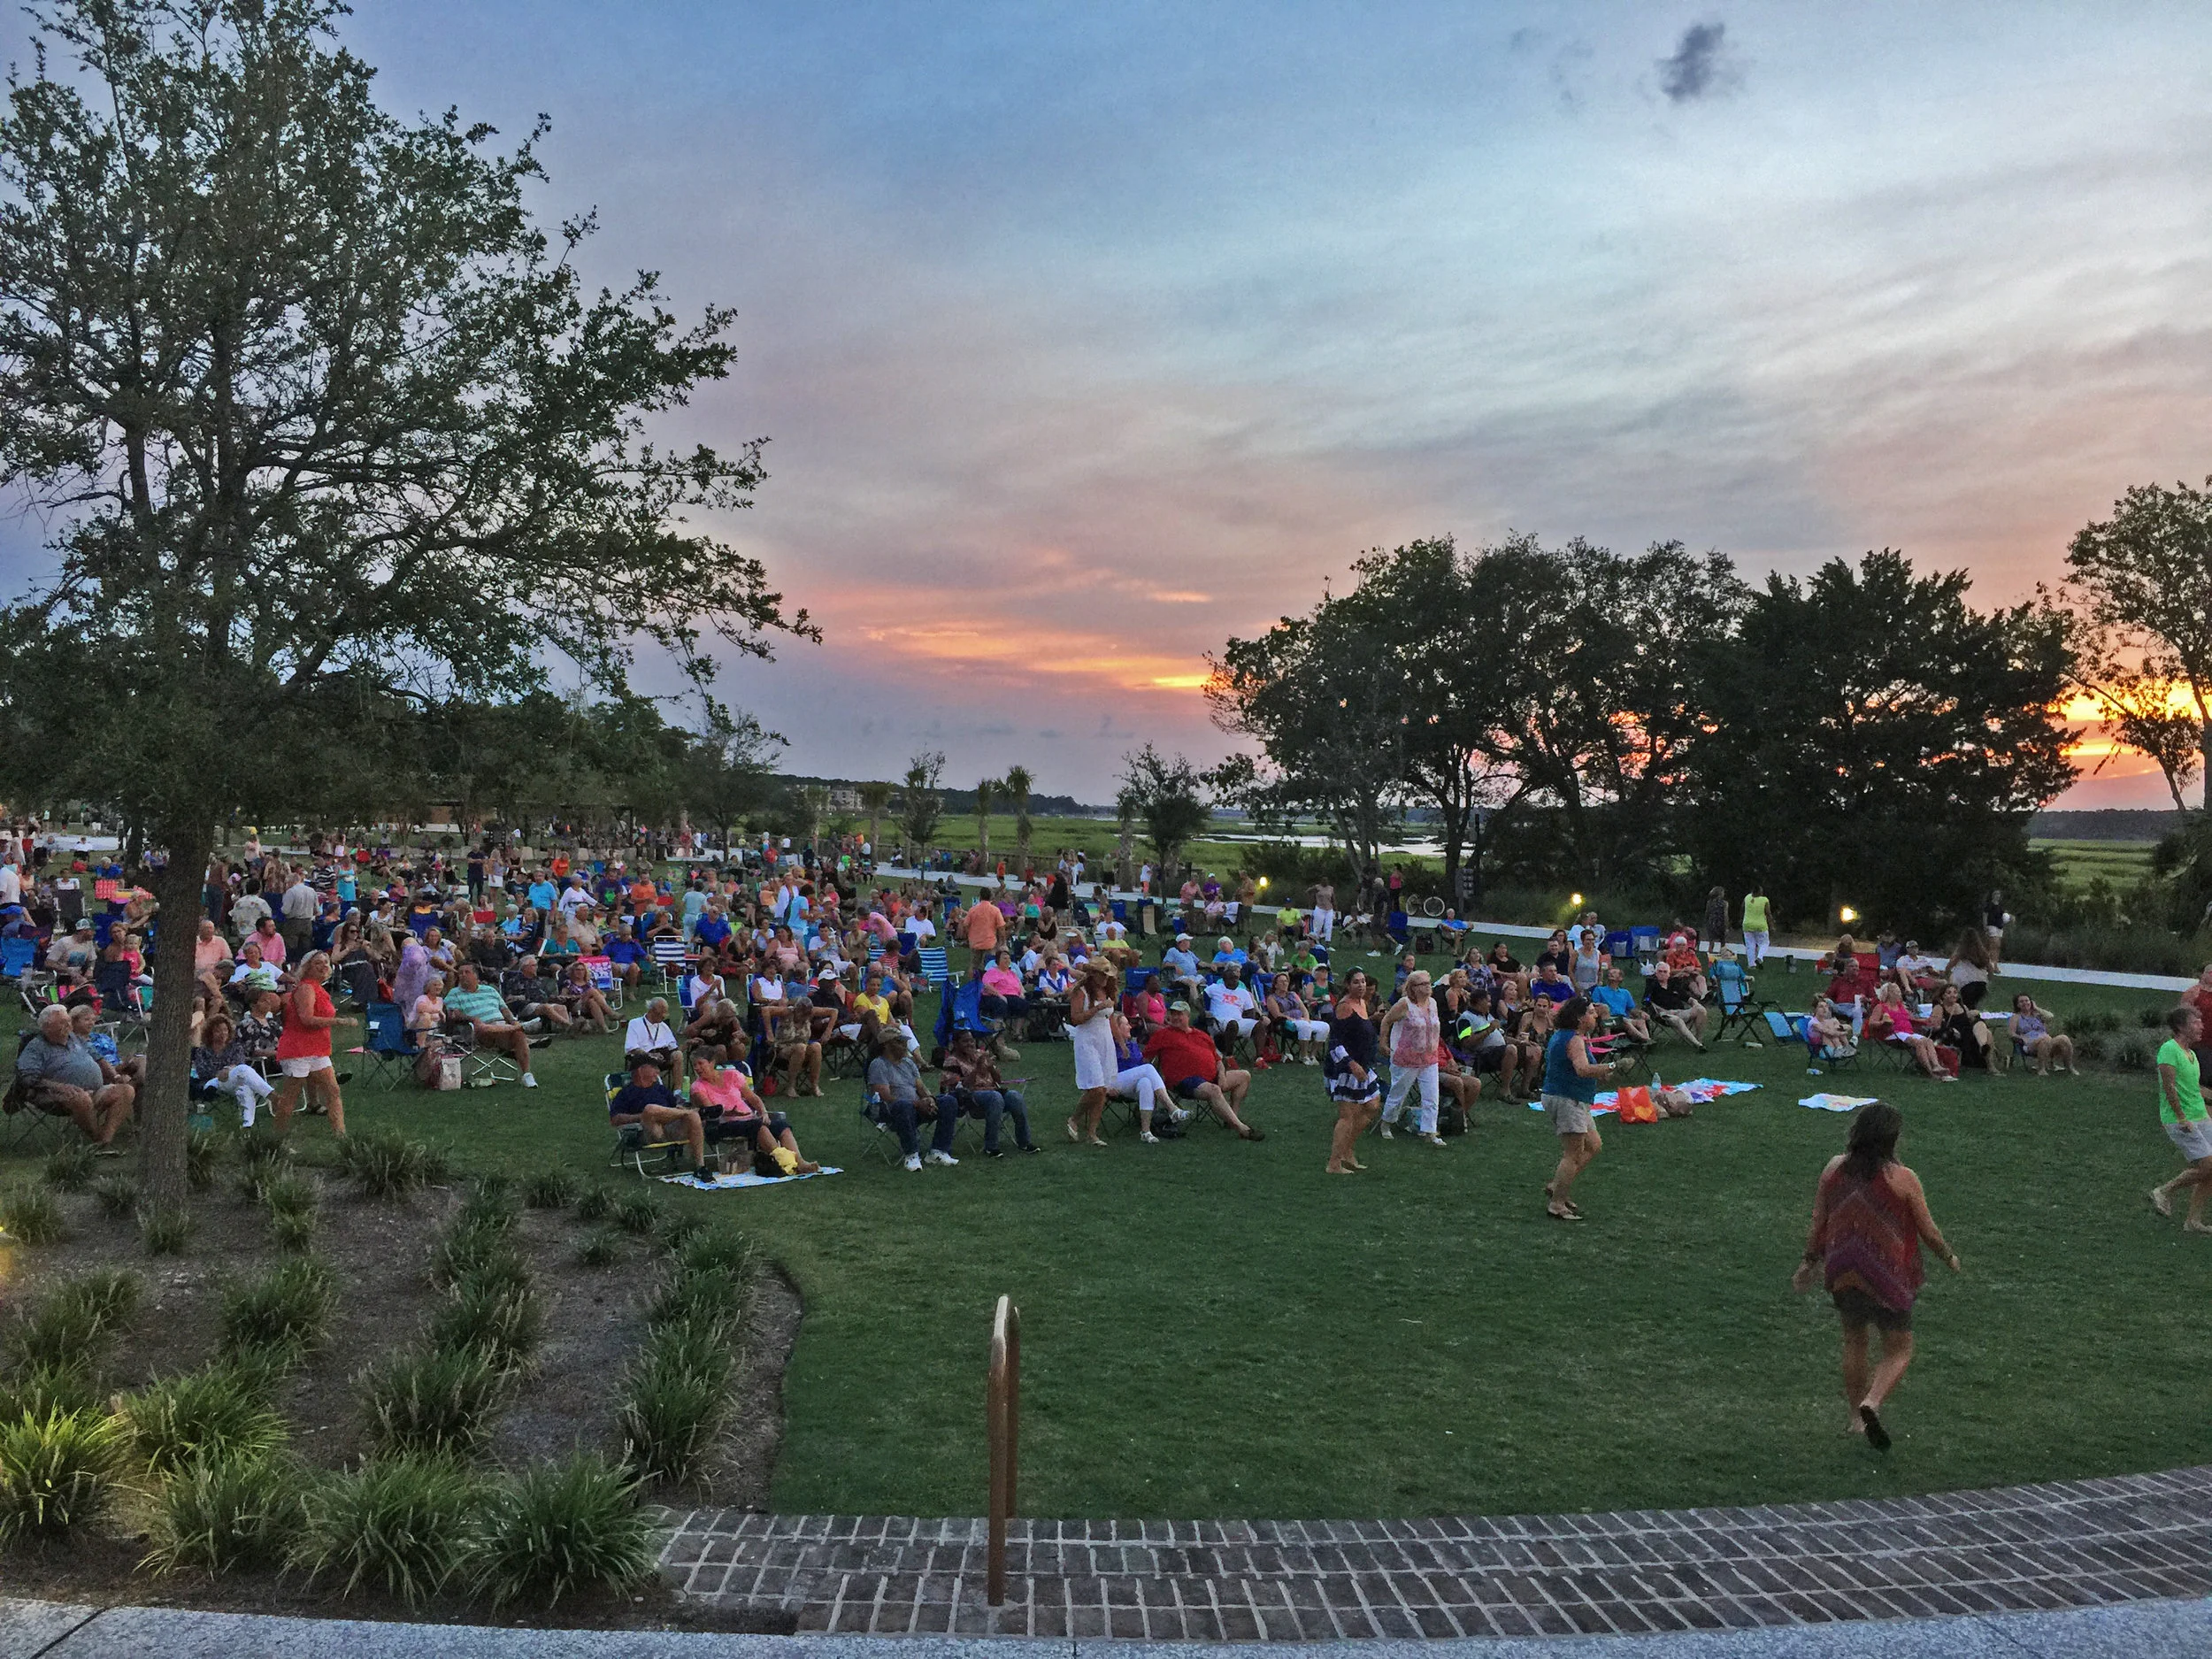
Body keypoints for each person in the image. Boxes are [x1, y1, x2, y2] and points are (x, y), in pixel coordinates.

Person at [1791, 1102, 1961, 1449]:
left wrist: (1809, 1263)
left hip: (1843, 1270)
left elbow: (1818, 1222)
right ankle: (1873, 1402)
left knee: (1855, 1340)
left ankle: (1855, 1418)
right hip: (1886, 1274)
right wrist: (1949, 1257)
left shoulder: (1834, 1169)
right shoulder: (1902, 1178)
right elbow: (1928, 1231)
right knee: (1900, 1347)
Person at [12, 1003, 132, 1145]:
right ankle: (97, 1139)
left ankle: (106, 1138)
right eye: (62, 1022)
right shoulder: (36, 1048)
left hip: (95, 1091)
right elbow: (28, 1078)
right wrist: (60, 1087)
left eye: (68, 1021)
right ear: (47, 1027)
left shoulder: (76, 1039)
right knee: (81, 1099)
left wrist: (116, 1076)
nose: (68, 1025)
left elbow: (99, 1059)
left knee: (126, 1090)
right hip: (55, 1096)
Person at [1141, 1000, 1263, 1140]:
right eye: (1172, 1014)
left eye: (1179, 1014)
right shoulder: (1163, 1035)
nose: (1175, 1017)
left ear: (1188, 1016)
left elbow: (1218, 1060)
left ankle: (1231, 1119)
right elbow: (1146, 1059)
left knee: (1244, 1076)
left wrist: (1222, 1075)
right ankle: (1242, 1128)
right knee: (1214, 1090)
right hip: (1184, 1081)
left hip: (1211, 1077)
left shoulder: (1201, 1035)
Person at [1541, 996, 1616, 1220]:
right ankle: (1557, 1203)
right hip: (1567, 1099)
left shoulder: (1565, 1036)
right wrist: (1612, 1065)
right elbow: (1582, 1069)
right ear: (1579, 1017)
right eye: (1591, 1012)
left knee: (1593, 1145)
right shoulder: (1574, 1040)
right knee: (1573, 1153)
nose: (1595, 1016)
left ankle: (1558, 1186)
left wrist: (1600, 1072)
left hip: (1572, 1098)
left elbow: (1583, 1068)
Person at [269, 952, 357, 1134]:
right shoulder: (306, 988)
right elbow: (306, 1019)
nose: (324, 966)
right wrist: (338, 1022)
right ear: (307, 967)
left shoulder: (320, 989)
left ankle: (341, 1136)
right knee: (290, 1098)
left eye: (326, 962)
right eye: (318, 963)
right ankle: (277, 1139)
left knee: (333, 1091)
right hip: (298, 1049)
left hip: (318, 1049)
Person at [689, 1056, 818, 1175]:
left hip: (748, 1119)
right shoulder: (698, 1087)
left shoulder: (732, 1075)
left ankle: (800, 1162)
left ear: (712, 1062)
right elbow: (712, 1111)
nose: (697, 1068)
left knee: (781, 1126)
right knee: (758, 1126)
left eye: (701, 1063)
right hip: (723, 1124)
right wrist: (733, 1113)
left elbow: (752, 1098)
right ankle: (786, 1163)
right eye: (694, 1065)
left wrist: (763, 1112)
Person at [2149, 1005, 2212, 1233]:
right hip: (2179, 1120)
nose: (2201, 1026)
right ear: (2181, 1026)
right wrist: (2182, 1117)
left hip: (2200, 1116)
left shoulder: (2192, 1055)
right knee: (2208, 1165)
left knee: (2211, 1170)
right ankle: (2164, 1191)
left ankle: (2193, 1221)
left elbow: (2193, 1090)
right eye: (2196, 1022)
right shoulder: (2169, 1050)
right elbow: (2169, 1087)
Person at [609, 1056, 715, 1188]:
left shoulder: (660, 1089)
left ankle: (700, 1167)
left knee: (692, 1117)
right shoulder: (626, 1093)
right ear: (641, 1070)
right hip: (649, 1132)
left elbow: (675, 1106)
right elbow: (615, 1119)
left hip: (671, 1129)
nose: (658, 1071)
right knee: (650, 1109)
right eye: (653, 1068)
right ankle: (696, 1112)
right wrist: (641, 1116)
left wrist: (681, 1111)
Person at [866, 1032, 957, 1171]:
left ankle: (938, 1151)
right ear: (886, 1046)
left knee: (949, 1101)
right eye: (899, 1042)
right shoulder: (878, 1065)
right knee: (903, 1105)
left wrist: (929, 1099)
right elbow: (885, 1096)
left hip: (917, 1107)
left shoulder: (908, 1063)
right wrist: (917, 1104)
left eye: (904, 1042)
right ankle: (911, 1155)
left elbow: (920, 1087)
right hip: (892, 1112)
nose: (905, 1045)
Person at [938, 1027, 1036, 1156]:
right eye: (965, 1041)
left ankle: (1024, 1142)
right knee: (995, 1097)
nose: (970, 1044)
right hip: (969, 1098)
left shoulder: (980, 1055)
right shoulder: (952, 1061)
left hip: (992, 1093)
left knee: (1015, 1096)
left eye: (972, 1041)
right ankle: (991, 1146)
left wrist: (991, 1068)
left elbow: (998, 1081)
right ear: (955, 1044)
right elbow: (960, 1087)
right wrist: (977, 1069)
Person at [1378, 969, 1447, 1147]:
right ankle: (1386, 1123)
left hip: (1429, 1057)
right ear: (1413, 988)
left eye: (1428, 983)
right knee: (1398, 1092)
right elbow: (1386, 1021)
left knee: (1432, 1095)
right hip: (1406, 1058)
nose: (1428, 986)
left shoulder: (1432, 1003)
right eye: (1423, 984)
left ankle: (1429, 1131)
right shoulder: (1404, 1004)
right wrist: (1383, 1043)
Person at [443, 961, 540, 1088]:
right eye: (460, 973)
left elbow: (504, 1009)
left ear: (476, 976)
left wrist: (513, 1021)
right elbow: (454, 1015)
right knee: (502, 1030)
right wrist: (473, 1019)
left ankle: (527, 1075)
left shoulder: (490, 990)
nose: (463, 975)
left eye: (467, 972)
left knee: (518, 1035)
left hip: (502, 1028)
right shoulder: (454, 993)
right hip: (478, 1031)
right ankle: (524, 1030)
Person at [1325, 969, 1381, 1175]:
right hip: (1347, 1070)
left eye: (1363, 981)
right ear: (1348, 985)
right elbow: (1334, 1043)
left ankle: (1347, 1150)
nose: (1361, 985)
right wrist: (1351, 1064)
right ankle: (1334, 1163)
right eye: (1356, 982)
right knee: (1347, 1116)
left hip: (1365, 1067)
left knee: (1372, 1105)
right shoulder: (1345, 1007)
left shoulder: (1363, 1004)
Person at [1064, 960, 1118, 1147]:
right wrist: (1097, 1008)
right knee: (1095, 1087)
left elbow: (1111, 1020)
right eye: (1102, 975)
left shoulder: (1109, 992)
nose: (1105, 978)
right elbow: (1076, 1018)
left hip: (1105, 1041)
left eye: (1107, 975)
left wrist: (1121, 1043)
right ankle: (1074, 1118)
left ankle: (1092, 1132)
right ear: (1093, 974)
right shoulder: (1082, 992)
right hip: (1087, 1041)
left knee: (1102, 1089)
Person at [191, 1010, 273, 1127]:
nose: (223, 1033)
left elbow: (239, 1063)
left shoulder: (235, 1048)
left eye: (225, 1030)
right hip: (212, 1083)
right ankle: (271, 1095)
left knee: (244, 1083)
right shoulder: (203, 1051)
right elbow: (202, 1071)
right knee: (243, 1074)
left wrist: (228, 1070)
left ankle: (247, 1126)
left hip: (232, 1080)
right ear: (210, 1033)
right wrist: (220, 1073)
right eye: (218, 1031)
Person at [1107, 1010, 1178, 1142]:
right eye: (1126, 1024)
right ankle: (1171, 1108)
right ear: (1116, 1028)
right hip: (1112, 1083)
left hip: (1130, 1085)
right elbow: (1098, 1070)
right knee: (1148, 1069)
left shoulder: (1132, 1045)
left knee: (1145, 1082)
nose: (1130, 1027)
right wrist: (1106, 1088)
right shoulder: (1107, 1046)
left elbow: (1140, 1066)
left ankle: (1146, 1131)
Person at [1864, 985, 1945, 1080]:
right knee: (1918, 1042)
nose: (1899, 993)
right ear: (1888, 993)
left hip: (1907, 1032)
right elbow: (1871, 1023)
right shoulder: (1881, 1007)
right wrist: (1883, 1022)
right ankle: (1929, 1071)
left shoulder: (1901, 1006)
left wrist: (1926, 1021)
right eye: (1896, 991)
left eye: (1899, 991)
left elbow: (1911, 1020)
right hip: (1892, 1034)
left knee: (1928, 1041)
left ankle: (1936, 1066)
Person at [2006, 995, 2077, 1077]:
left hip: (2047, 1041)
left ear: (2031, 1002)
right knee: (2044, 1040)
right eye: (2021, 1002)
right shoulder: (2016, 1018)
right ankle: (2041, 1069)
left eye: (2027, 1001)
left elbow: (2051, 1016)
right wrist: (2021, 1038)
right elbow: (2011, 1033)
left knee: (2064, 1038)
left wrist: (2036, 1008)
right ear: (2018, 1005)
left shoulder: (2037, 1015)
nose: (2025, 1003)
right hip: (2030, 1044)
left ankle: (2069, 1067)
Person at [623, 997, 686, 1091]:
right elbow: (632, 1048)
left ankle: (678, 1092)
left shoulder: (663, 1026)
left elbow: (673, 1047)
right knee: (647, 1058)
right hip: (643, 1055)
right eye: (661, 1013)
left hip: (663, 1054)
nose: (664, 1016)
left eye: (665, 1012)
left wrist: (687, 1044)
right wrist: (650, 1055)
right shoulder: (635, 1023)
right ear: (652, 1011)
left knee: (678, 1055)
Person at [1642, 961, 1709, 1048]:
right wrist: (1661, 1011)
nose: (1662, 974)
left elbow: (1687, 998)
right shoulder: (1652, 985)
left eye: (1665, 972)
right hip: (1664, 1015)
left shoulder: (1673, 984)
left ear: (1669, 974)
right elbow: (1646, 1001)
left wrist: (1695, 1003)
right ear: (1656, 973)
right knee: (1677, 1020)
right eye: (1660, 971)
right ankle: (1698, 1045)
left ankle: (1699, 1039)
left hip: (1681, 1012)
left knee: (1701, 1010)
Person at [1944, 930, 1993, 1010]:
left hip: (1967, 984)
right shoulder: (1982, 952)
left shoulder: (1962, 952)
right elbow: (1990, 969)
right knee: (1973, 1006)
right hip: (1981, 984)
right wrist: (1989, 979)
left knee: (1967, 1008)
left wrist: (1946, 972)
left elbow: (1951, 964)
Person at [1740, 887, 1771, 968]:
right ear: (1759, 892)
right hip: (1760, 926)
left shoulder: (1747, 897)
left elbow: (1742, 908)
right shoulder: (1764, 900)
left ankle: (1751, 964)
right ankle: (1760, 957)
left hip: (1747, 925)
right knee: (1764, 943)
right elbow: (1768, 913)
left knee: (1750, 945)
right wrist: (1772, 925)